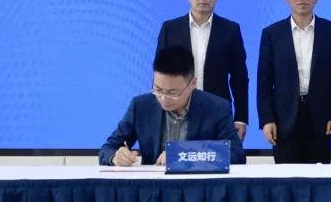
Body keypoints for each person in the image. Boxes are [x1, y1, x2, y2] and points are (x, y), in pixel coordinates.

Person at [257, 0, 331, 164]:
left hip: (321, 120)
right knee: (285, 179)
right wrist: (266, 119)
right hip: (283, 120)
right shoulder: (272, 34)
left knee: (319, 178)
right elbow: (264, 83)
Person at [98, 45, 245, 165]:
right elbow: (107, 148)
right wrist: (115, 156)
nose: (163, 98)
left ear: (193, 83)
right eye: (158, 89)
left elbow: (236, 154)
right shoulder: (140, 106)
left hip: (197, 188)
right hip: (153, 187)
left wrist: (184, 155)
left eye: (172, 92)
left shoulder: (217, 108)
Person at [156, 0, 249, 140]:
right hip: (177, 111)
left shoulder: (230, 30)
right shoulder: (170, 29)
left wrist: (241, 117)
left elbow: (239, 78)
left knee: (216, 156)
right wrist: (159, 113)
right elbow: (160, 74)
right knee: (177, 155)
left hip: (217, 111)